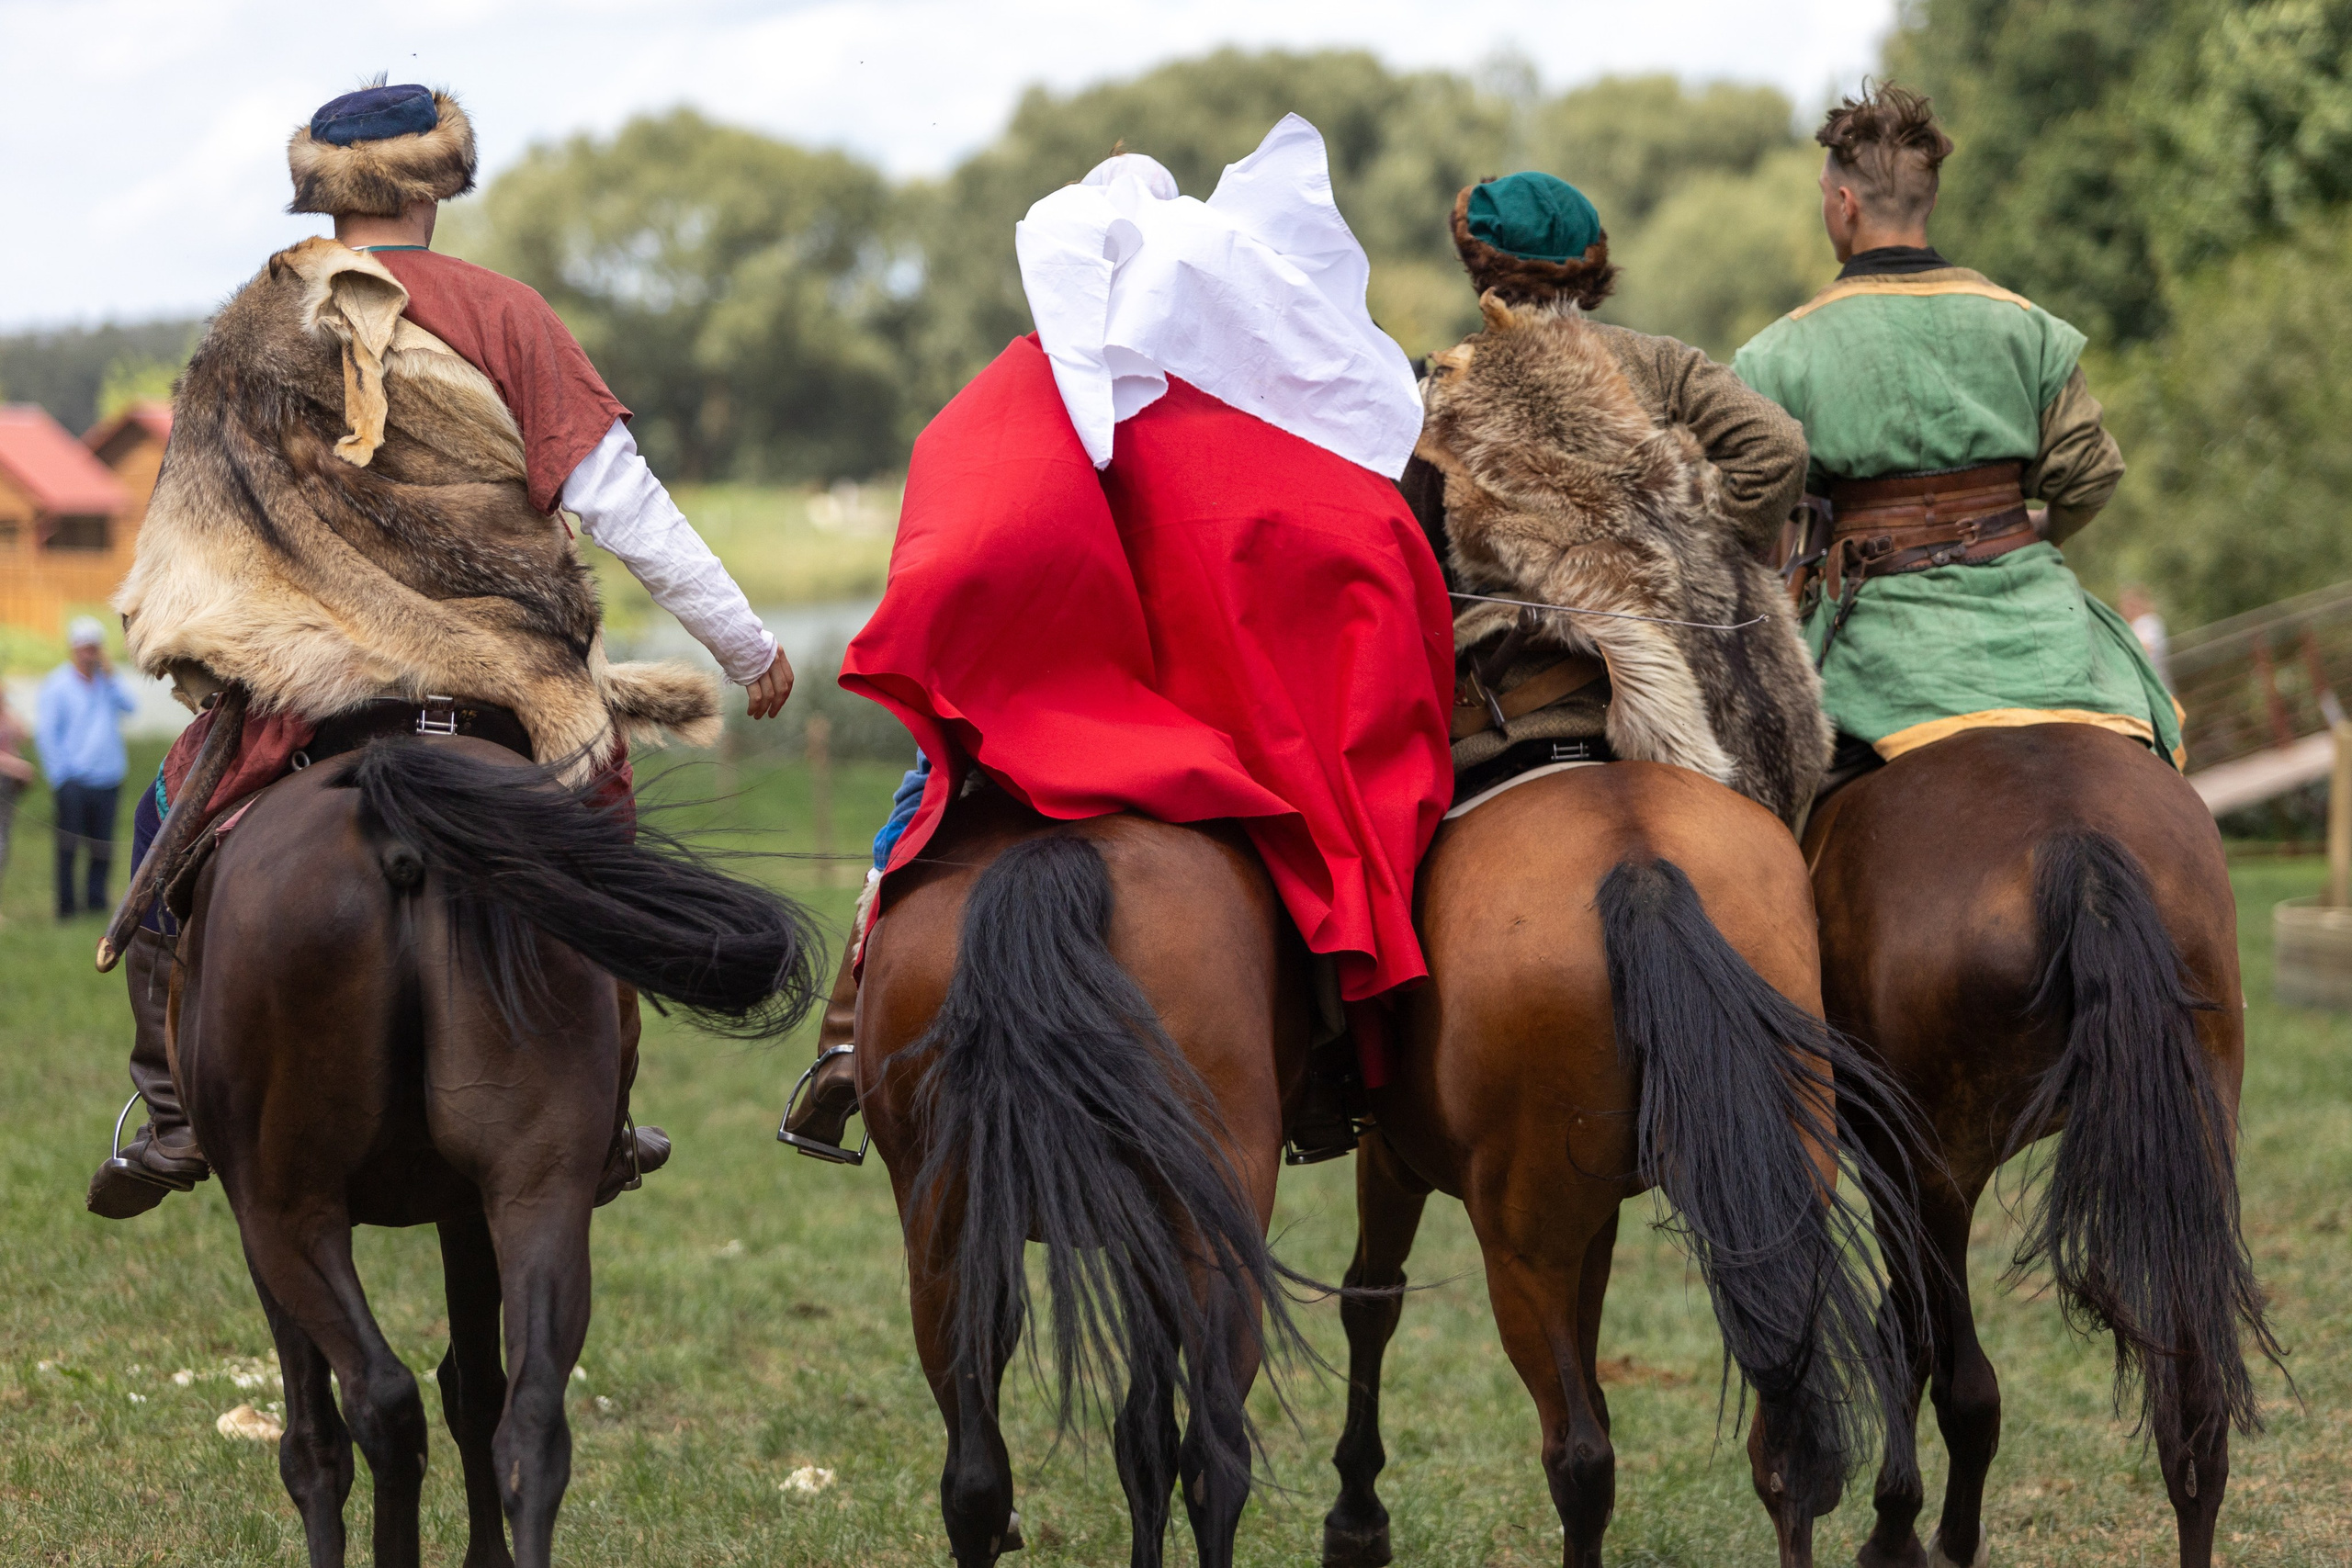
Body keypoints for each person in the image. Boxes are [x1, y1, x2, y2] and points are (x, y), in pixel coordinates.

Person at [87, 83, 794, 1219]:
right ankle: (600, 1109)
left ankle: (170, 1111)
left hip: (310, 693)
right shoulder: (510, 314)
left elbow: (192, 537)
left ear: (325, 190)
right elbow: (625, 503)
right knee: (596, 813)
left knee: (159, 815)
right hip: (506, 689)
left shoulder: (249, 330)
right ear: (435, 184)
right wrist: (747, 645)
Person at [781, 121, 1456, 1165]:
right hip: (1204, 732)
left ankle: (840, 1037)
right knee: (1307, 833)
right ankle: (1333, 1053)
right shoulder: (1245, 426)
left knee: (924, 797)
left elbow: (967, 540)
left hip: (1050, 714)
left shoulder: (1035, 389)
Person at [1732, 85, 2175, 791]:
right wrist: (2043, 529)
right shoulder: (2026, 324)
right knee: (2151, 746)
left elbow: (1751, 513)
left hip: (1880, 645)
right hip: (2040, 625)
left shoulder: (1775, 356)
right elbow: (2089, 477)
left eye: (1825, 195)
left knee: (1764, 807)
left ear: (1843, 204)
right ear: (1928, 199)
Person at [1407, 171, 1827, 822]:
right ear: (1591, 269)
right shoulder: (1663, 362)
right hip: (1689, 693)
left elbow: (1413, 557)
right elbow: (1779, 448)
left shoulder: (1443, 392)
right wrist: (1690, 544)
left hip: (1510, 710)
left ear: (1478, 268)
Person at [35, 618, 137, 920]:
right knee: (69, 846)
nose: (90, 655)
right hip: (74, 779)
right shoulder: (57, 685)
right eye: (85, 649)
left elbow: (131, 708)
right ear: (74, 649)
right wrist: (60, 777)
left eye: (95, 649)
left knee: (102, 845)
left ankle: (96, 900)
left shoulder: (107, 682)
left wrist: (112, 677)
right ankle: (67, 906)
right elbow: (47, 735)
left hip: (108, 776)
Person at [0, 685, 35, 911]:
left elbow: (23, 732)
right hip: (6, 778)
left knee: (3, 844)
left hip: (6, 787)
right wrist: (18, 767)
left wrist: (6, 706)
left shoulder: (5, 713)